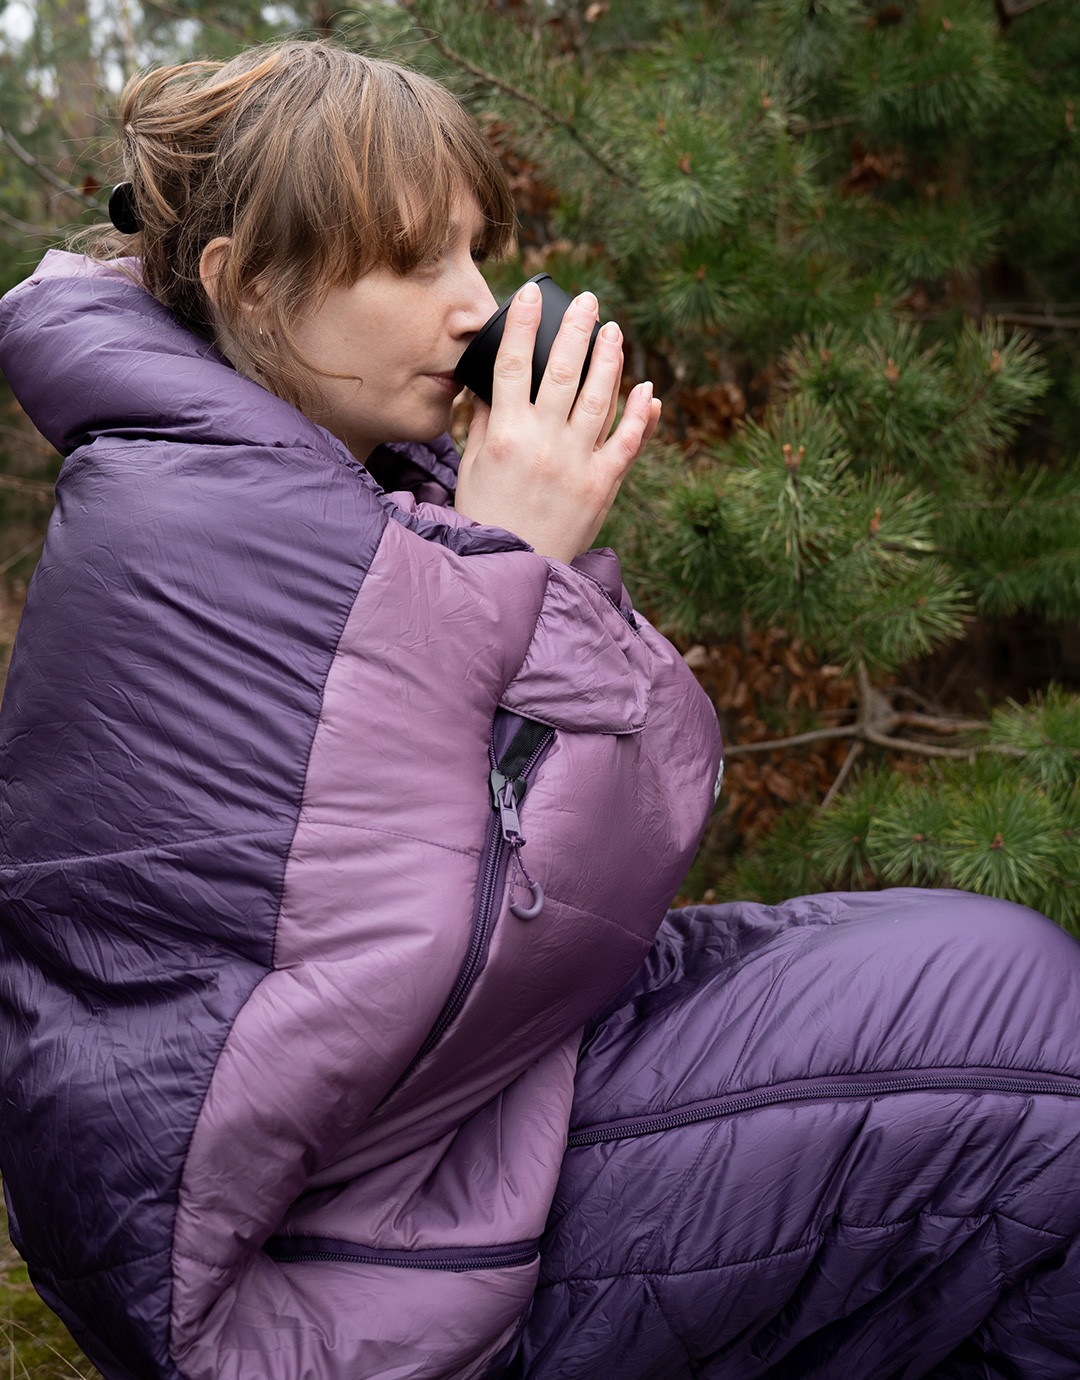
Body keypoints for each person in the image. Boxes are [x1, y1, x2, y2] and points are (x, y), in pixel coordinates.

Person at [0, 38, 1078, 1380]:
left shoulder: (331, 487)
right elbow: (457, 957)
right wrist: (511, 574)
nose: (476, 305)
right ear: (244, 285)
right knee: (1036, 1093)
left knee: (992, 966)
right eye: (410, 263)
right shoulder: (195, 535)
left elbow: (572, 854)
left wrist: (500, 567)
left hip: (453, 1112)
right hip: (321, 1270)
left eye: (472, 250)